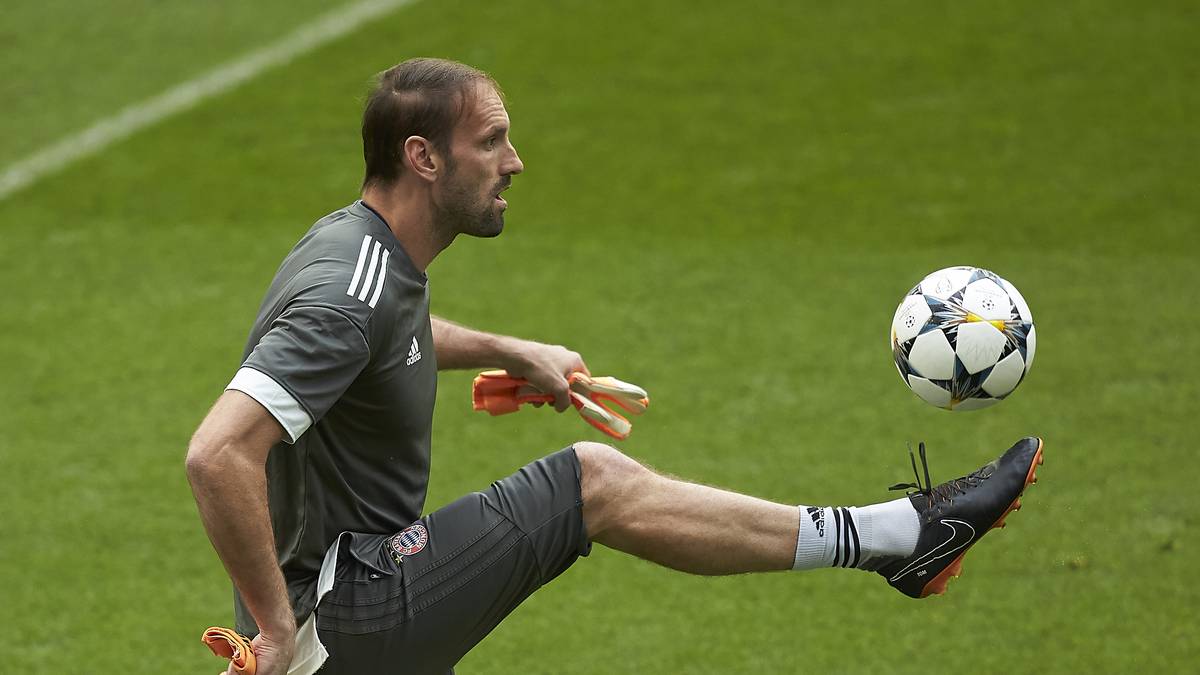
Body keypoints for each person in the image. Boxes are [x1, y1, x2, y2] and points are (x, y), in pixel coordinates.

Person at [186, 57, 1044, 675]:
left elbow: (385, 329)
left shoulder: (358, 250)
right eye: (492, 141)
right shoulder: (349, 289)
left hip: (356, 612)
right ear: (423, 156)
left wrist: (509, 349)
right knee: (590, 483)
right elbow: (218, 452)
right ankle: (901, 537)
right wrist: (274, 633)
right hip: (343, 615)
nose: (515, 162)